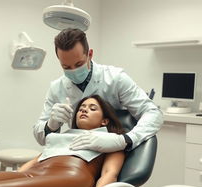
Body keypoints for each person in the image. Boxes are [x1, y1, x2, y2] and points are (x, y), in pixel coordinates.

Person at [33, 28, 163, 152]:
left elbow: (153, 113)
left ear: (90, 54)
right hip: (75, 150)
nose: (73, 71)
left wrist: (125, 140)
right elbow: (41, 138)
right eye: (66, 67)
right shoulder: (56, 88)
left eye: (78, 64)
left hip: (109, 153)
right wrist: (50, 125)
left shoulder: (115, 79)